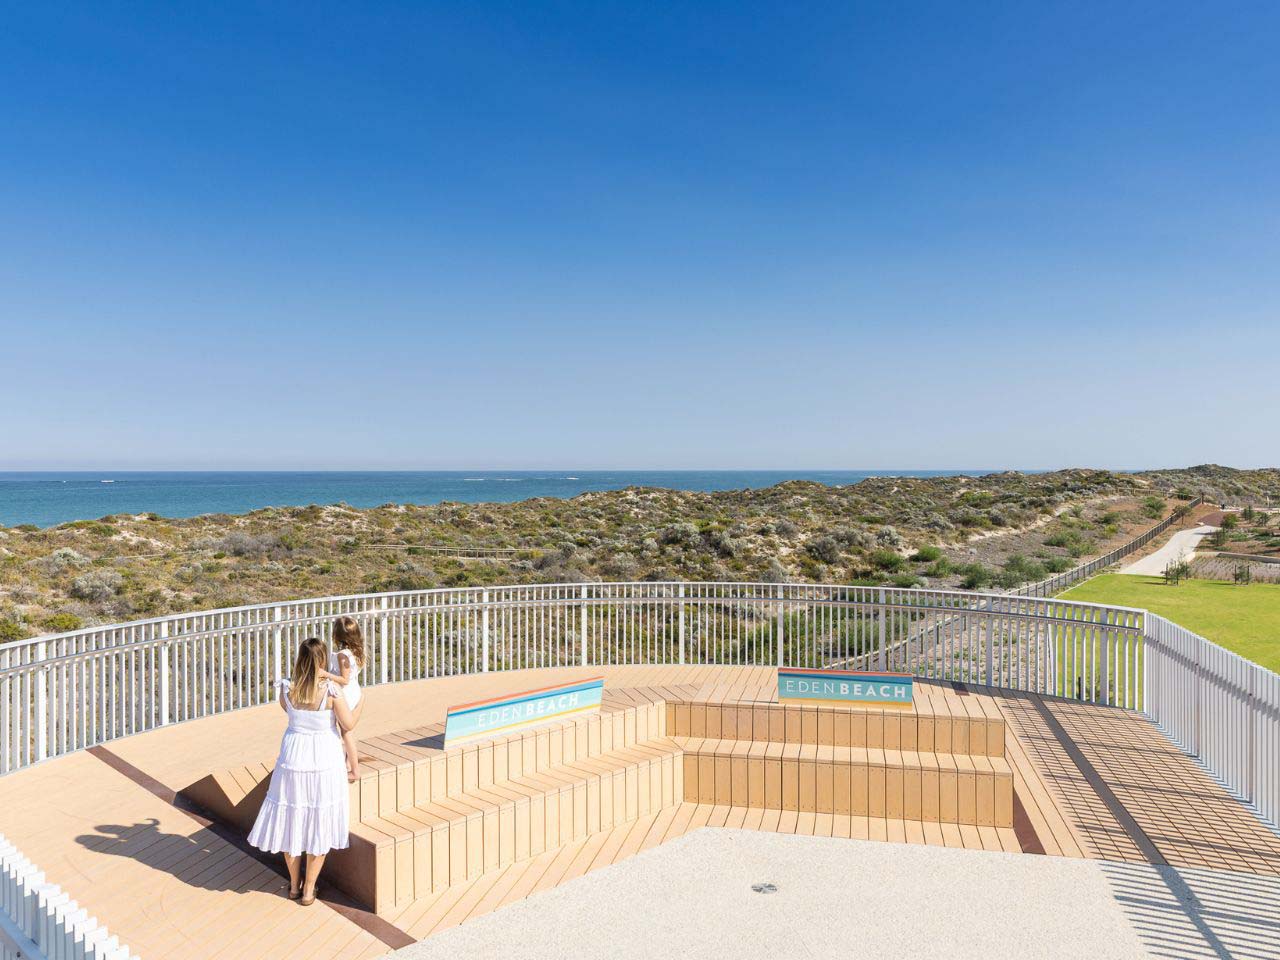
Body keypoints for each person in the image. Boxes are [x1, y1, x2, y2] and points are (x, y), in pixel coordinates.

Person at [247, 637, 353, 905]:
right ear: (322, 661)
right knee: (319, 820)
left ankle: (294, 885)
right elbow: (348, 724)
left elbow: (290, 713)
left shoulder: (287, 690)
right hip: (323, 758)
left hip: (294, 755)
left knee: (290, 818)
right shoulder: (330, 691)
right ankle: (309, 890)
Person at [322, 616, 365, 782]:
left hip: (346, 693)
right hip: (355, 691)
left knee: (345, 733)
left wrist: (325, 674)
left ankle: (354, 770)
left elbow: (344, 679)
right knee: (349, 731)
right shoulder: (356, 651)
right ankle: (347, 763)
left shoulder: (342, 655)